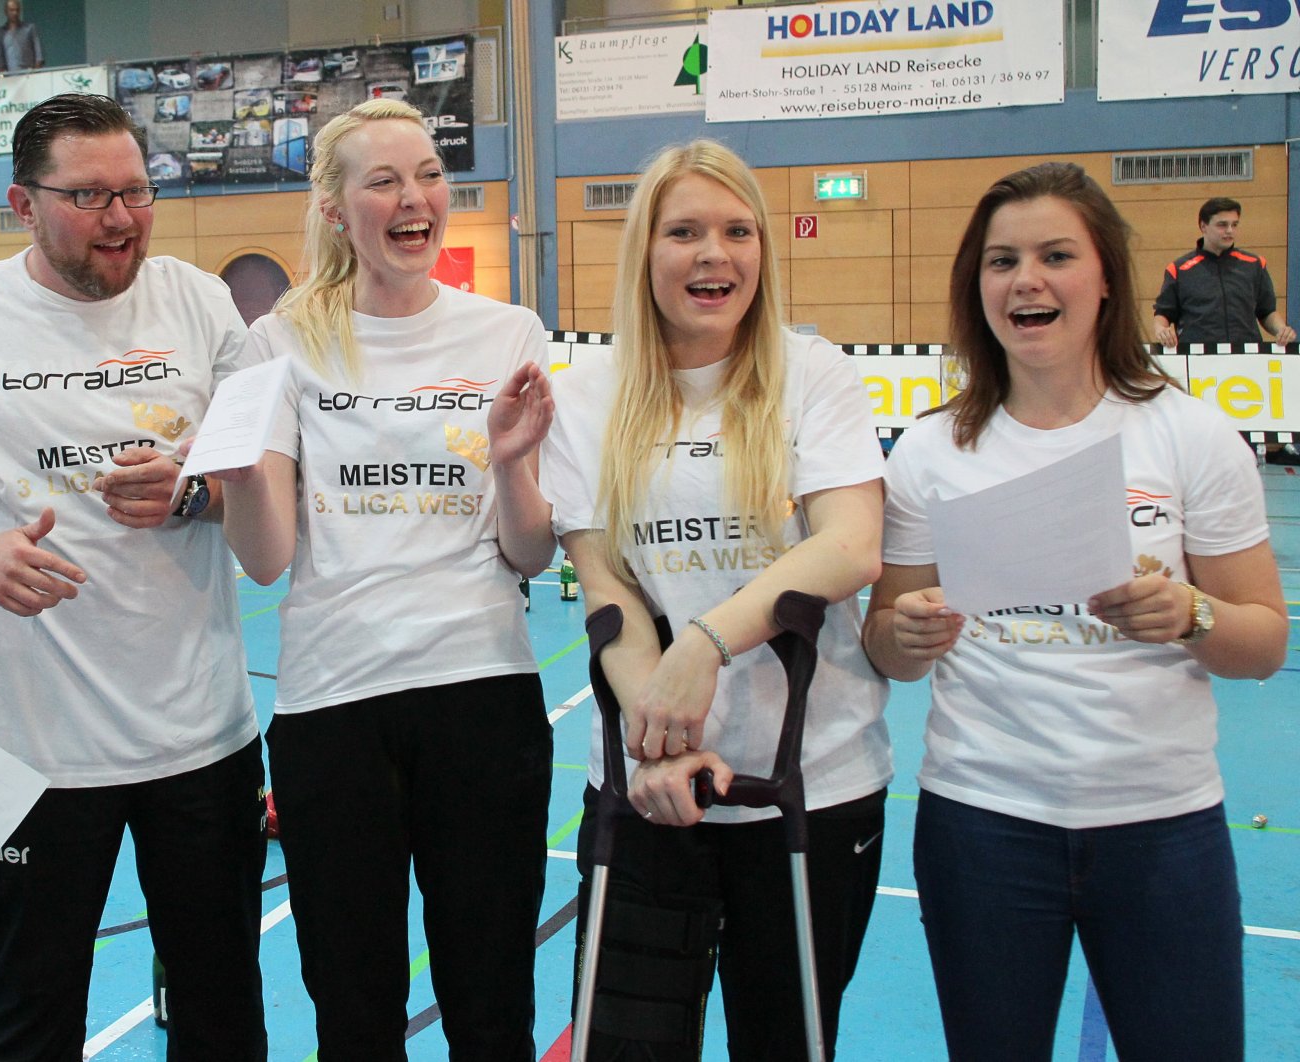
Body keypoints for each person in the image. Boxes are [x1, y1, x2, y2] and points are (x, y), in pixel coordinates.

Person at [0, 93, 265, 1062]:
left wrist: (195, 494)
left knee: (221, 1007)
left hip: (200, 739)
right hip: (25, 754)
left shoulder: (200, 305)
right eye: (89, 197)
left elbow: (261, 477)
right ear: (21, 204)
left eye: (136, 193)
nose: (121, 219)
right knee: (27, 1015)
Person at [864, 162, 1288, 1062]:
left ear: (1105, 278)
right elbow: (888, 647)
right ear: (975, 286)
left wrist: (1190, 615)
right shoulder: (933, 450)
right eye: (1001, 260)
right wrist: (903, 634)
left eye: (1057, 255)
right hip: (982, 822)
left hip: (1162, 825)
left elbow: (1262, 642)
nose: (1028, 279)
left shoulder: (1189, 433)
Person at [215, 99, 556, 1059]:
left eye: (430, 176)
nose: (415, 199)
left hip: (483, 691)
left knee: (492, 1007)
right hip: (335, 707)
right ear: (334, 209)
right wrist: (242, 472)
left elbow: (530, 554)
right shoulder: (280, 343)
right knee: (354, 1014)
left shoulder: (508, 330)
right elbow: (267, 559)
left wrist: (514, 463)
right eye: (384, 181)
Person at [539, 139, 892, 1061]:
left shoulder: (814, 376)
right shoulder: (588, 400)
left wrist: (703, 645)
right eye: (685, 231)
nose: (715, 255)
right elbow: (604, 582)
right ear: (644, 252)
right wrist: (658, 731)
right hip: (648, 794)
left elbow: (850, 544)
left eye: (738, 232)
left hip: (813, 787)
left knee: (787, 1040)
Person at [1151, 195, 1294, 349]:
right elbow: (1163, 314)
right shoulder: (1179, 269)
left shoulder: (1255, 264)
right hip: (1198, 358)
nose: (1229, 231)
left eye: (1234, 224)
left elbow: (1267, 312)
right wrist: (1162, 330)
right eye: (1222, 225)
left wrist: (1281, 329)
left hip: (1247, 357)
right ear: (1203, 226)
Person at [0, 0, 42, 72]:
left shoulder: (30, 29)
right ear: (6, 12)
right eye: (11, 10)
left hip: (30, 75)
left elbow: (39, 56)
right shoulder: (0, 33)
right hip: (10, 78)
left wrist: (34, 74)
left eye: (17, 10)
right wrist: (3, 77)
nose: (15, 13)